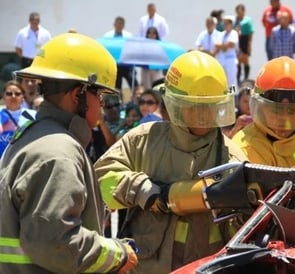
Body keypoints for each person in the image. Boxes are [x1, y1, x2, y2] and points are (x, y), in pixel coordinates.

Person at [94, 50, 248, 273]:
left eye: (210, 106)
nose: (203, 116)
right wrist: (142, 190)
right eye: (194, 107)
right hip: (145, 266)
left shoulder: (231, 158)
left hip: (201, 267)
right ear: (173, 103)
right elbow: (99, 179)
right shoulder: (144, 140)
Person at [0, 32, 138, 273]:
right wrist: (117, 254)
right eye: (101, 95)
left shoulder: (34, 135)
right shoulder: (59, 152)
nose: (103, 106)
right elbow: (56, 244)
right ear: (79, 95)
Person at [103, 16, 138, 97]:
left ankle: (136, 100)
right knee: (117, 87)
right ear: (114, 24)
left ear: (123, 25)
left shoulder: (128, 36)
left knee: (135, 85)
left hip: (127, 65)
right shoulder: (107, 36)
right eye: (118, 23)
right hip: (115, 65)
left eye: (121, 24)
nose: (119, 25)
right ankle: (117, 101)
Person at [0, 80, 36, 157]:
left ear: (23, 97)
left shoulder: (32, 115)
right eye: (9, 94)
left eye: (17, 94)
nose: (13, 96)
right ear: (3, 97)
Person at [214, 16, 239, 89]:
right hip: (221, 60)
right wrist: (224, 46)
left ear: (231, 24)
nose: (225, 25)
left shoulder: (233, 33)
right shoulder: (221, 34)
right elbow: (216, 45)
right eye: (224, 23)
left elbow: (231, 44)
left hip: (230, 60)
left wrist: (222, 46)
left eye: (227, 23)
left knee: (232, 82)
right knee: (222, 80)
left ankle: (234, 98)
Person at [234, 4, 254, 83]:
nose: (239, 14)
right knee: (238, 60)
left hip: (245, 40)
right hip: (237, 40)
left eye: (241, 12)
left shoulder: (247, 20)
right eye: (238, 12)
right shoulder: (235, 20)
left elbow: (250, 33)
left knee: (245, 59)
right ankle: (238, 79)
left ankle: (246, 78)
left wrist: (249, 45)